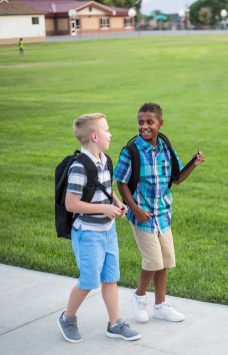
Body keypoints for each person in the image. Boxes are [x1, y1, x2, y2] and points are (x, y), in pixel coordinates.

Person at [114, 102, 205, 323]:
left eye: (149, 122)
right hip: (142, 216)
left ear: (160, 123)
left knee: (164, 261)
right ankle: (138, 296)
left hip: (163, 214)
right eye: (140, 122)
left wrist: (194, 163)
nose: (144, 126)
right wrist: (135, 209)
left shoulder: (165, 146)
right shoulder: (131, 151)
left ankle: (160, 305)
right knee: (153, 261)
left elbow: (177, 178)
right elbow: (121, 182)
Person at [58, 113, 141, 343]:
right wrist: (103, 210)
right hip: (88, 233)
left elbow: (105, 188)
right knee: (88, 280)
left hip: (108, 231)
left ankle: (115, 324)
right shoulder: (79, 167)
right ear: (95, 136)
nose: (110, 134)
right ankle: (67, 317)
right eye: (106, 130)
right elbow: (71, 203)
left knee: (110, 277)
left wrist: (116, 202)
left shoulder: (105, 160)